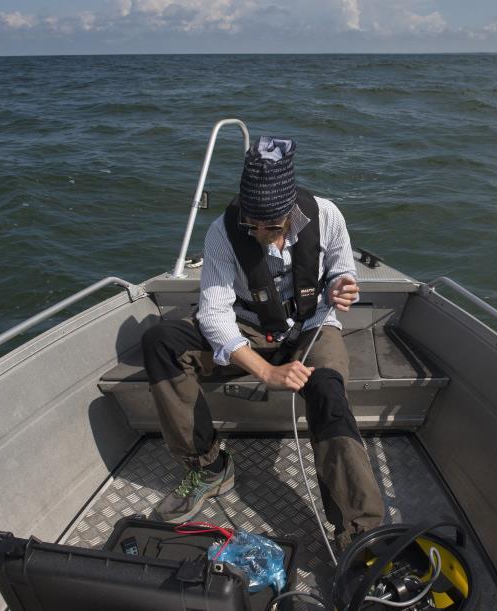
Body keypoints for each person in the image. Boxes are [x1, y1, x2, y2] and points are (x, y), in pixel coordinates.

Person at [141, 136, 384, 550]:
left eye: (272, 227)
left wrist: (343, 288)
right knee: (161, 341)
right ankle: (209, 465)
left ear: (290, 210)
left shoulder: (327, 216)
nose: (262, 237)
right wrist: (265, 370)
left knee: (328, 392)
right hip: (250, 327)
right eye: (252, 226)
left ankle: (359, 531)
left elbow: (342, 274)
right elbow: (215, 313)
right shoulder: (222, 233)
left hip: (312, 326)